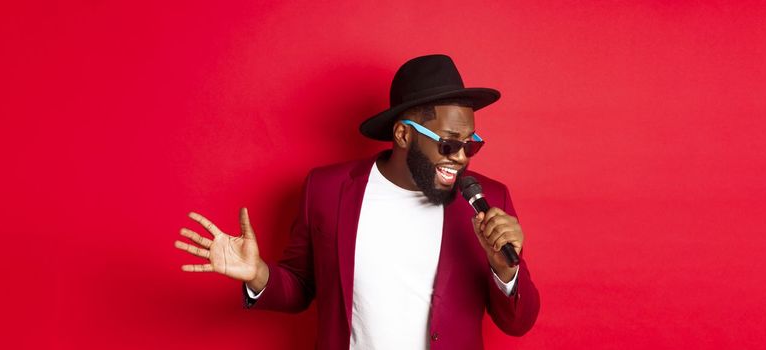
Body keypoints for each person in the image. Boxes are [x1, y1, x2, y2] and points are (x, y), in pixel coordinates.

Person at [174, 54, 540, 349]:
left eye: (470, 144)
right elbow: (300, 286)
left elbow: (518, 323)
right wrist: (258, 275)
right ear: (403, 134)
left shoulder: (488, 200)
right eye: (448, 143)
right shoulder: (328, 189)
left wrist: (506, 271)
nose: (461, 157)